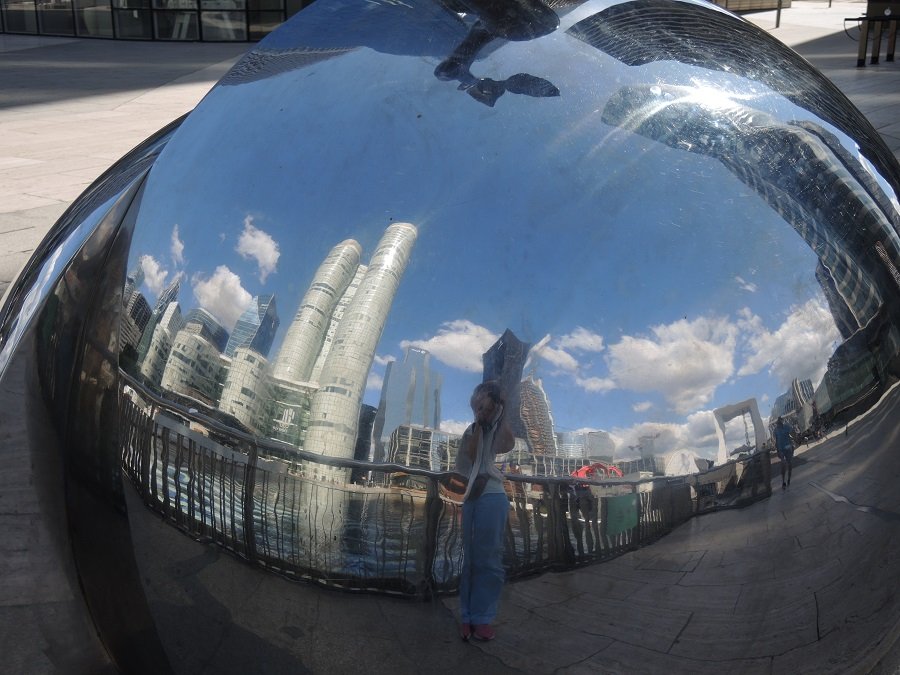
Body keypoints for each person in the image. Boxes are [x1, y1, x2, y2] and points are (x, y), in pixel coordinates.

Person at [455, 381, 515, 642]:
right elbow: (471, 456)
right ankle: (466, 615)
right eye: (478, 397)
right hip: (471, 497)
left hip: (492, 497)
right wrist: (479, 421)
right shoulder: (472, 430)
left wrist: (503, 410)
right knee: (470, 559)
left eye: (487, 399)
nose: (482, 401)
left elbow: (507, 444)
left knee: (489, 559)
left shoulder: (497, 429)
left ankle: (482, 617)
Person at [773, 417, 795, 489]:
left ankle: (788, 479)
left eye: (780, 422)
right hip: (781, 449)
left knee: (790, 464)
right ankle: (783, 481)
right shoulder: (775, 430)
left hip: (788, 448)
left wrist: (792, 442)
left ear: (782, 422)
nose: (779, 424)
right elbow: (776, 441)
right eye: (778, 423)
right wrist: (778, 451)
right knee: (783, 464)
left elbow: (792, 434)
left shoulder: (786, 426)